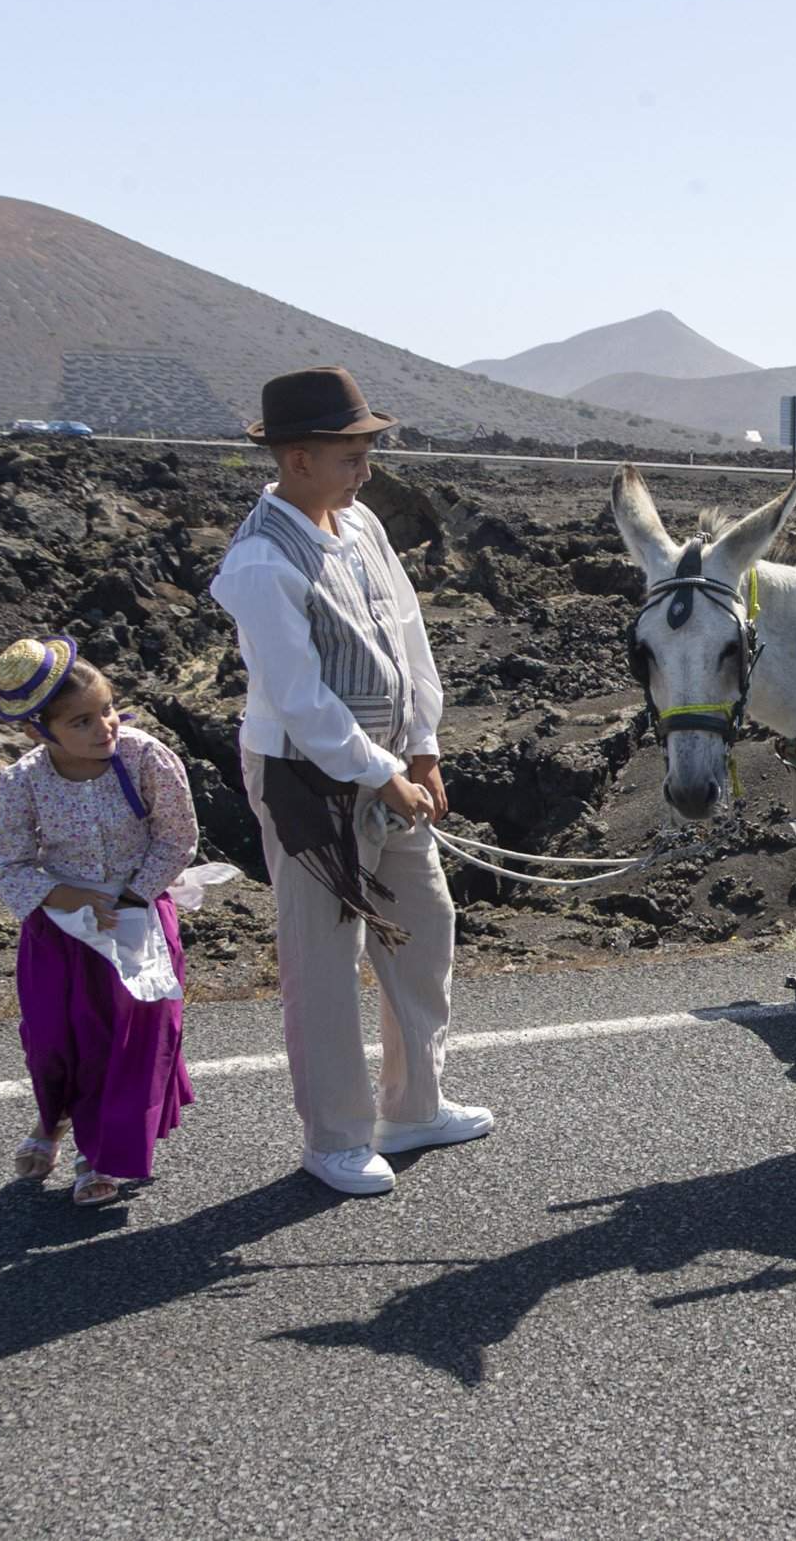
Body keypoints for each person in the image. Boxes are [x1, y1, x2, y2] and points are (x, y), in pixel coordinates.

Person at [210, 367, 492, 1197]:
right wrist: (382, 773)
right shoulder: (263, 560)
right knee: (323, 957)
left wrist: (425, 746)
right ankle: (333, 1136)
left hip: (388, 768)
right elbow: (299, 701)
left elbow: (406, 636)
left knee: (424, 923)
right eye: (351, 451)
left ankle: (413, 1106)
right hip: (307, 780)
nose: (366, 466)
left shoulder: (359, 521)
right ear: (297, 458)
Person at [0, 638, 197, 1206]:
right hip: (60, 925)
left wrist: (131, 897)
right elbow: (4, 861)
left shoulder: (144, 756)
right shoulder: (23, 781)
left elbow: (177, 839)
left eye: (108, 708)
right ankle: (52, 1120)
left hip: (136, 913)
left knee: (126, 1039)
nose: (106, 727)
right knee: (55, 1037)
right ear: (39, 732)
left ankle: (98, 1154)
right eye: (82, 721)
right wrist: (64, 894)